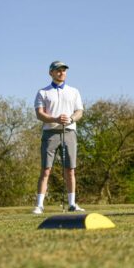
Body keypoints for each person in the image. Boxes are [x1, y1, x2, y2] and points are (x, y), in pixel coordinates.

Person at [32, 61, 85, 214]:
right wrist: (55, 119)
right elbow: (39, 114)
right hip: (50, 132)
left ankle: (72, 204)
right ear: (51, 73)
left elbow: (79, 111)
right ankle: (39, 205)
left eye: (63, 70)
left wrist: (71, 119)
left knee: (70, 170)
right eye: (58, 71)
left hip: (69, 132)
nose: (61, 73)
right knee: (46, 169)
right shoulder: (43, 92)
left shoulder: (74, 91)